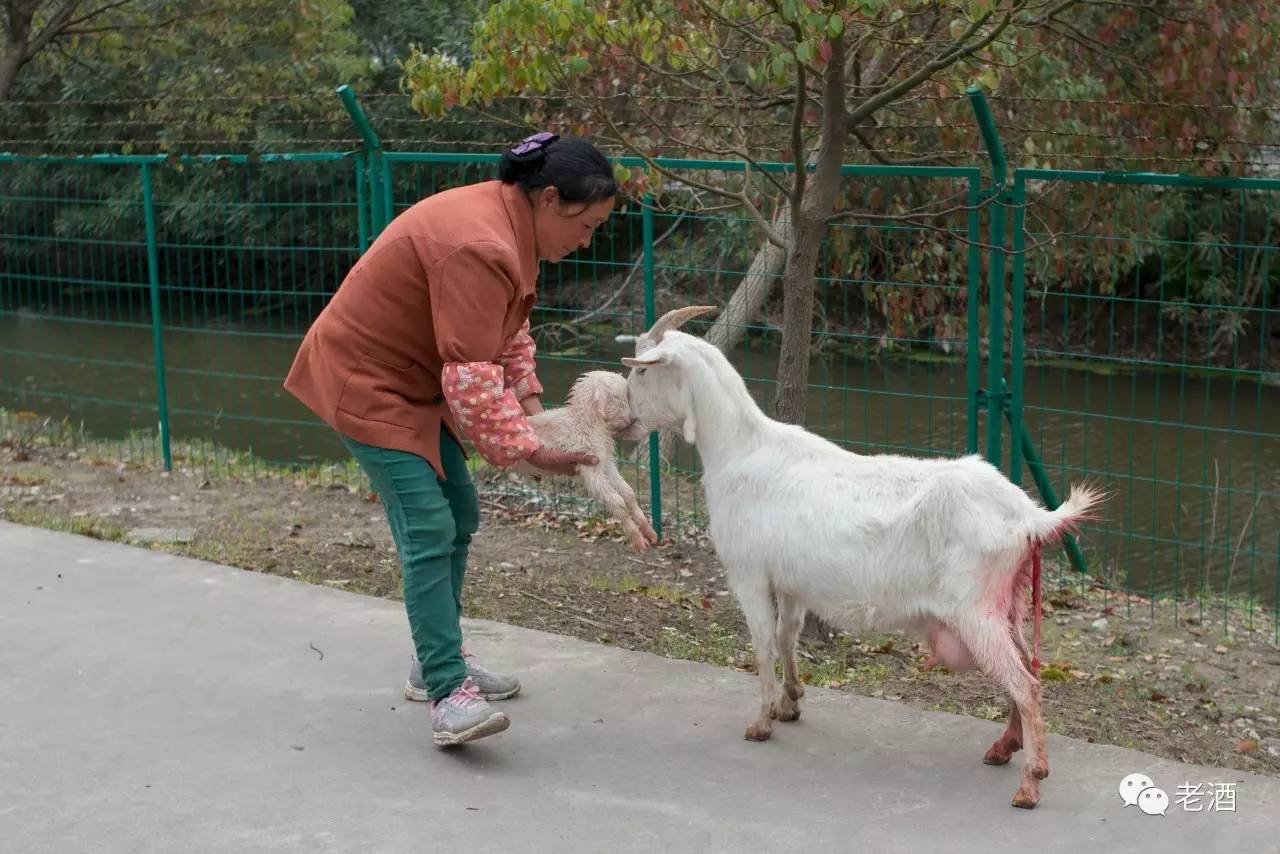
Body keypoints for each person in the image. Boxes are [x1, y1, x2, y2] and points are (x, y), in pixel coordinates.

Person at [283, 132, 617, 745]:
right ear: (549, 200)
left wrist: (535, 409)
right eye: (588, 225)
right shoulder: (481, 243)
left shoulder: (513, 230)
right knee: (429, 526)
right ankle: (445, 692)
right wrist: (530, 450)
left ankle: (436, 659)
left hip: (415, 380)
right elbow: (470, 373)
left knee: (459, 512)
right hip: (368, 384)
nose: (587, 240)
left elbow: (506, 334)